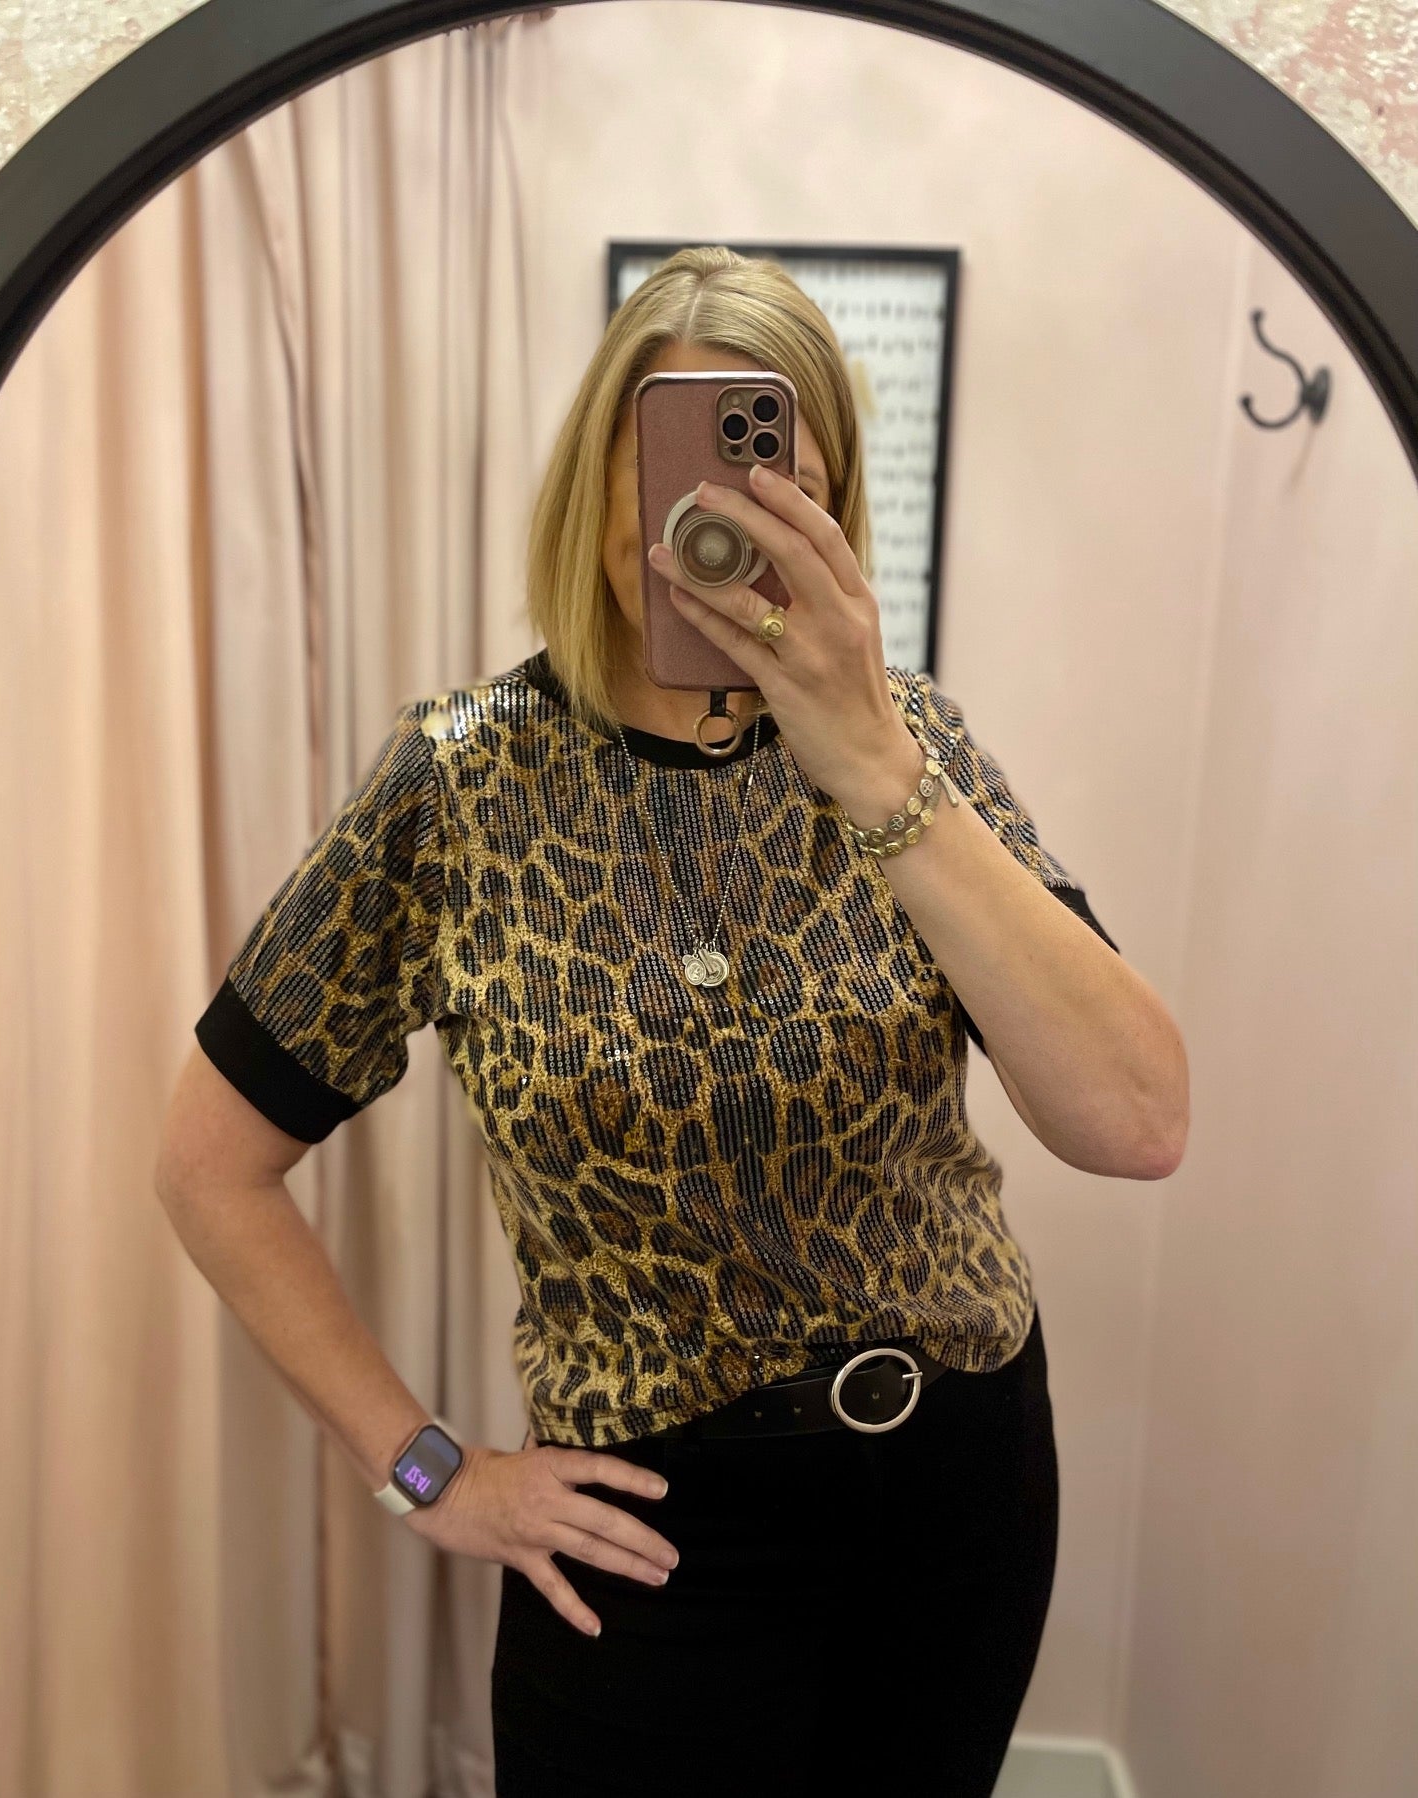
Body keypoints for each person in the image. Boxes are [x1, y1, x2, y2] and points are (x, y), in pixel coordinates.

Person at [158, 246, 1184, 1798]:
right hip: (645, 1539)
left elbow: (1138, 1121)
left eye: (782, 492)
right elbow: (208, 1167)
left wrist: (878, 769)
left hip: (957, 1491)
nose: (715, 534)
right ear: (595, 493)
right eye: (676, 483)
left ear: (834, 520)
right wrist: (428, 1468)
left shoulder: (917, 754)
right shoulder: (464, 782)